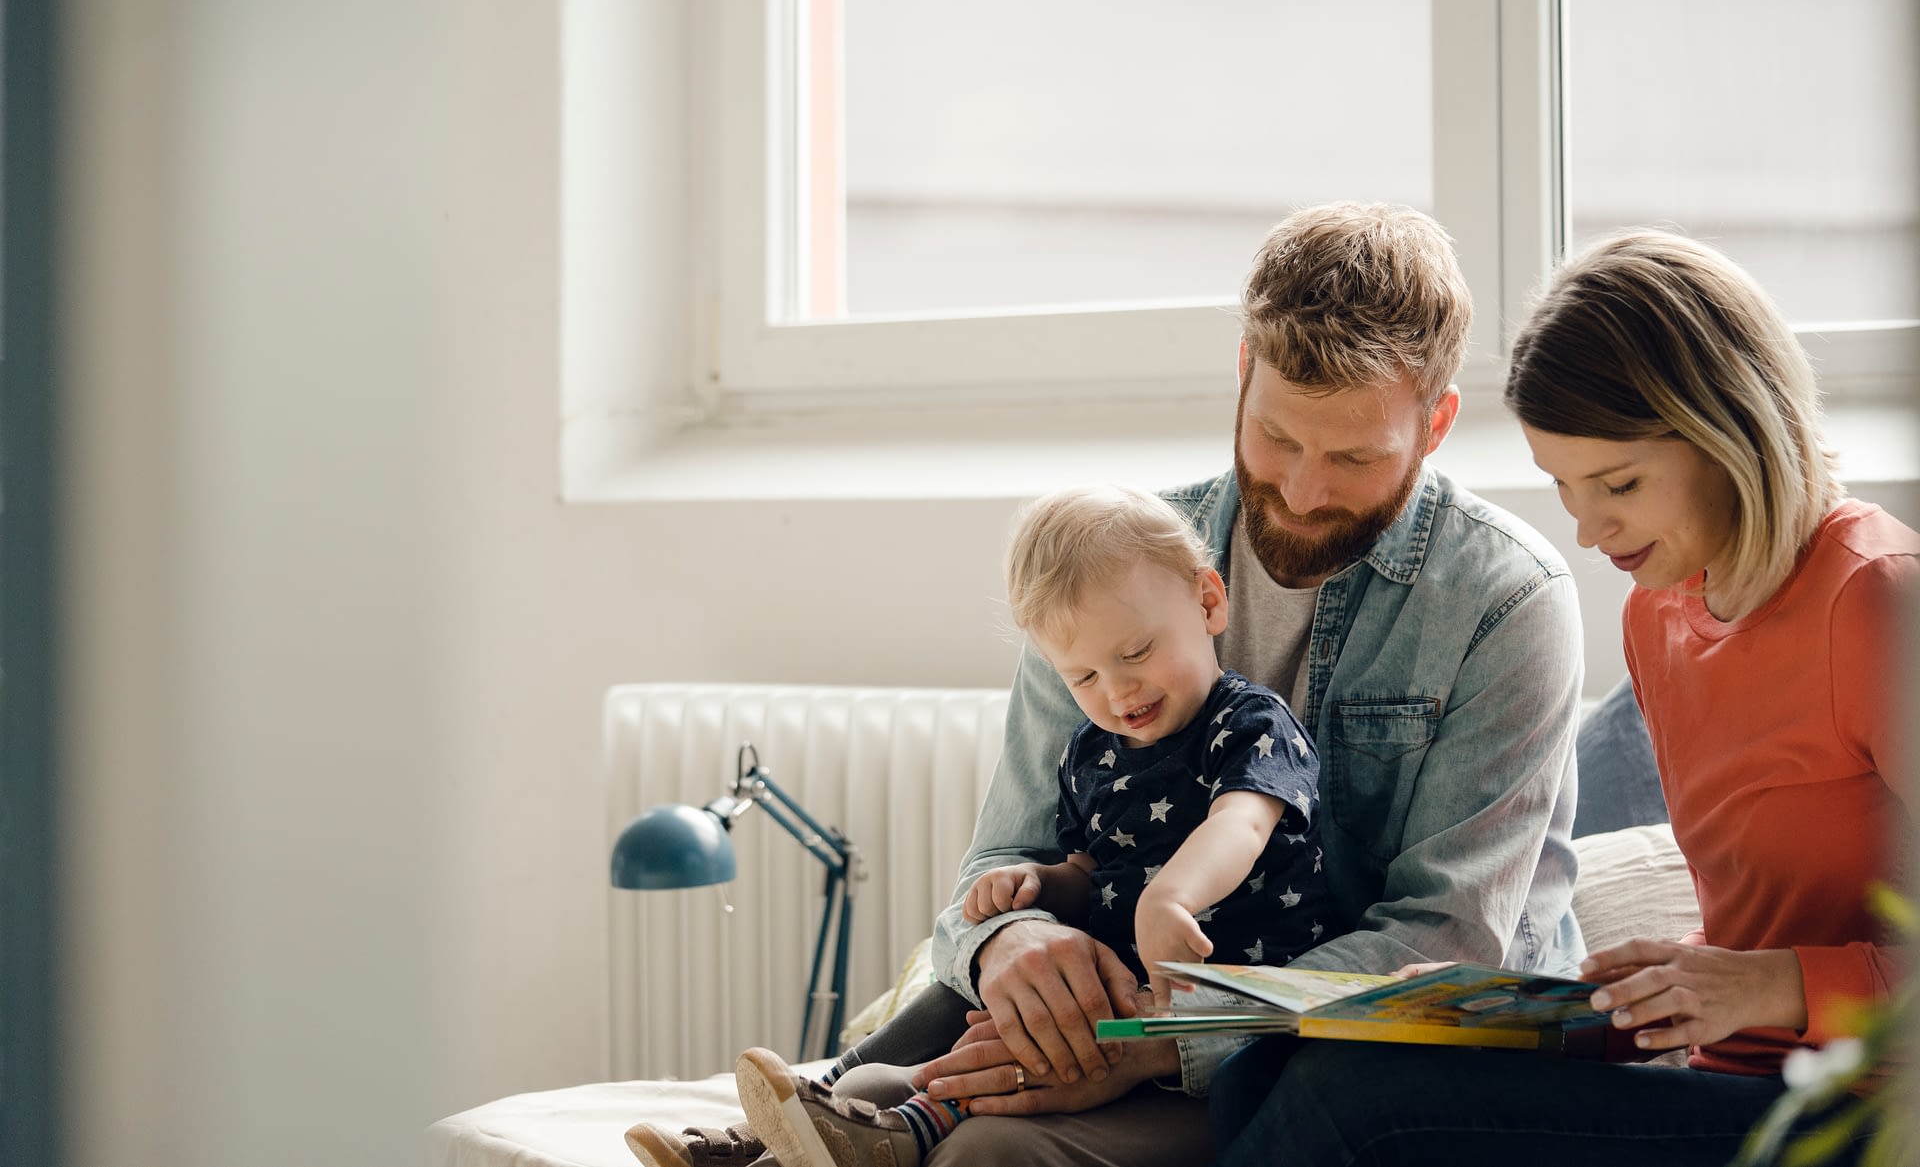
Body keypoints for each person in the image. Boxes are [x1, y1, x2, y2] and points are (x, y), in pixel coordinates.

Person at [628, 201, 1588, 1167]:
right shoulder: (1113, 566)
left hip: (1348, 1057)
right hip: (1137, 996)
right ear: (1243, 370)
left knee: (983, 1150)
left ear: (1437, 425)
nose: (1302, 492)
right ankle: (802, 1124)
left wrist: (1152, 1039)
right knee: (894, 1079)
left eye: (1353, 457)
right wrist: (1014, 946)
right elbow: (1001, 864)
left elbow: (1448, 943)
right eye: (1278, 440)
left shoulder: (1505, 603)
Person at [1209, 230, 1916, 1166]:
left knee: (1359, 1097)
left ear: (1729, 431)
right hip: (1730, 1075)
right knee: (1264, 1063)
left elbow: (1773, 974)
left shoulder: (1875, 598)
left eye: (1619, 483)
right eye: (1565, 488)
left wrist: (1775, 987)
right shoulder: (1661, 613)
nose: (1589, 531)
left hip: (1864, 1106)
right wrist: (1563, 1004)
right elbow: (1752, 943)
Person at [728, 484, 1335, 1167]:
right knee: (971, 982)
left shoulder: (1251, 722)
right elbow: (1087, 873)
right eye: (1084, 676)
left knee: (1031, 1047)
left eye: (1135, 651)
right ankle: (794, 1128)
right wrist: (1034, 887)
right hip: (1114, 984)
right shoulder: (1090, 753)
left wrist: (1172, 897)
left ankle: (889, 1132)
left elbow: (1243, 823)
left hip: (1221, 1020)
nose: (1117, 691)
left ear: (1207, 601)